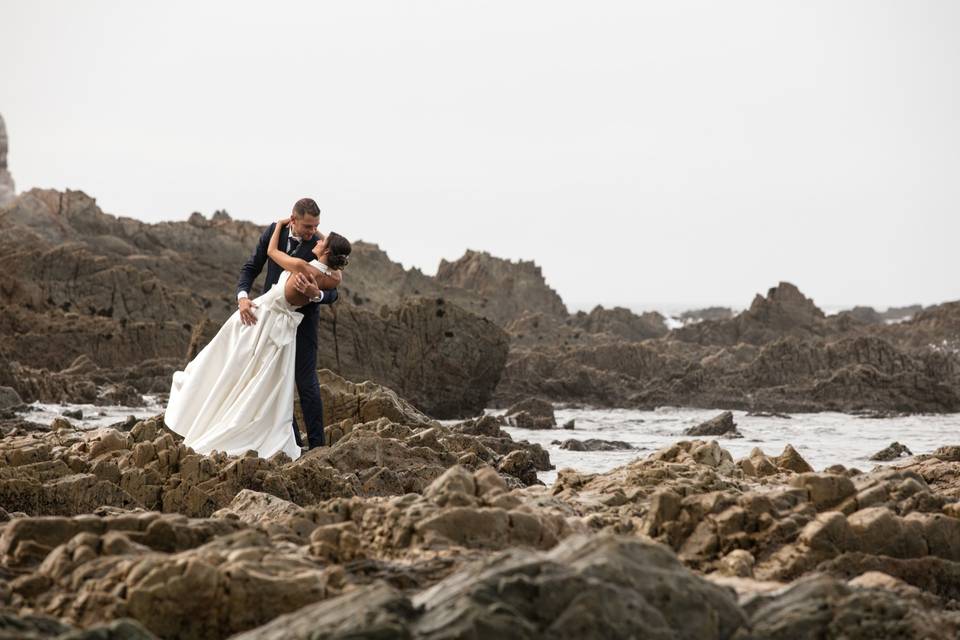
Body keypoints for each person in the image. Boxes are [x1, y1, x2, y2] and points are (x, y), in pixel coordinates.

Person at [164, 204, 351, 460]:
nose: (315, 232)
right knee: (260, 375)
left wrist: (316, 294)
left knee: (304, 381)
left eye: (318, 227)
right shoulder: (279, 237)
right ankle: (288, 438)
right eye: (309, 227)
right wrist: (242, 297)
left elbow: (333, 292)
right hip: (266, 317)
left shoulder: (310, 251)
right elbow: (251, 267)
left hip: (299, 322)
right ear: (294, 219)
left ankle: (317, 446)